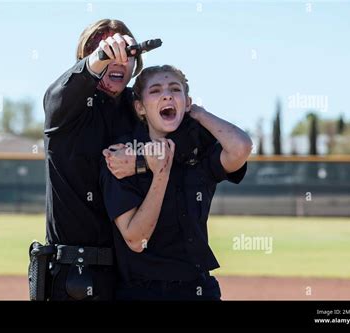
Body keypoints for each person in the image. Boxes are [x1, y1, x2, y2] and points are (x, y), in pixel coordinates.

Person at [41, 19, 215, 300]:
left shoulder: (134, 107)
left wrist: (140, 158)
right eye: (107, 52)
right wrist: (99, 57)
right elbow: (61, 91)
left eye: (126, 53)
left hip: (125, 278)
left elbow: (185, 143)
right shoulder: (65, 106)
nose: (117, 60)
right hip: (74, 274)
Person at [100, 65, 253, 300]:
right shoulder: (122, 155)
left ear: (186, 101)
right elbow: (135, 239)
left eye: (175, 89)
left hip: (198, 287)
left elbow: (241, 147)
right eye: (155, 90)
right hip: (142, 292)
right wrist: (160, 174)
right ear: (140, 107)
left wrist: (199, 113)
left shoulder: (198, 149)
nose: (167, 95)